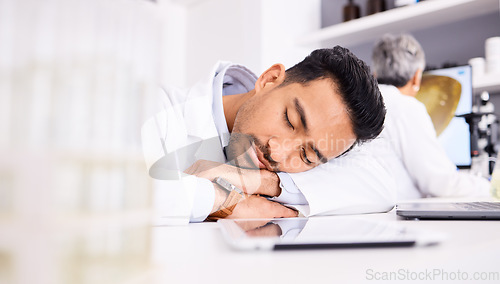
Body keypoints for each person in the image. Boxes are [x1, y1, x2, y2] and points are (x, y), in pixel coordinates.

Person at [142, 46, 396, 223]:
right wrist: (220, 199)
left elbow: (382, 188)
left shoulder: (293, 164)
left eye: (306, 155)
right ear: (269, 79)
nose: (278, 152)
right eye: (289, 120)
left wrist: (262, 184)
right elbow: (120, 198)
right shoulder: (153, 106)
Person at [370, 33, 490, 200]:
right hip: (397, 214)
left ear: (374, 74)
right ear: (417, 77)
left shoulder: (362, 104)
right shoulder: (405, 107)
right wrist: (489, 186)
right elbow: (440, 184)